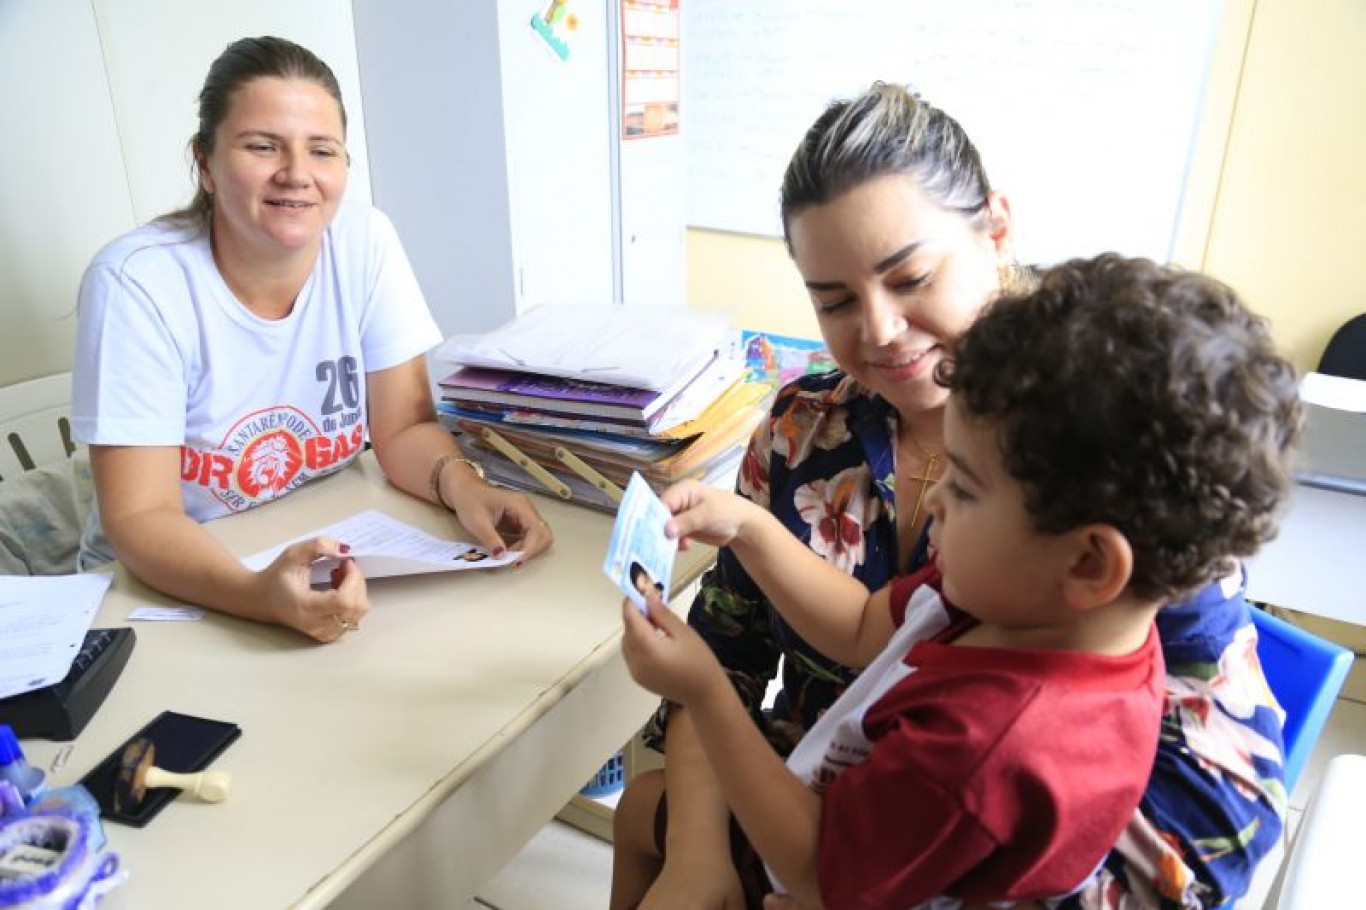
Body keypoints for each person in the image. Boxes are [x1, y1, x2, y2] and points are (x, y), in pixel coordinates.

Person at [611, 83, 1291, 910]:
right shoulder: (810, 435)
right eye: (833, 301)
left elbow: (1220, 822)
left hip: (893, 855)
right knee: (647, 818)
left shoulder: (1109, 451)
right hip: (834, 796)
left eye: (912, 277)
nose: (882, 331)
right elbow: (841, 631)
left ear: (996, 229)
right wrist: (749, 529)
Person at [70, 36, 552, 643]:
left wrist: (467, 489)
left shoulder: (364, 241)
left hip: (316, 545)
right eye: (262, 145)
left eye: (322, 150)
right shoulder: (138, 282)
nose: (297, 175)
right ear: (206, 164)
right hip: (161, 585)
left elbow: (401, 429)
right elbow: (141, 518)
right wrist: (259, 596)